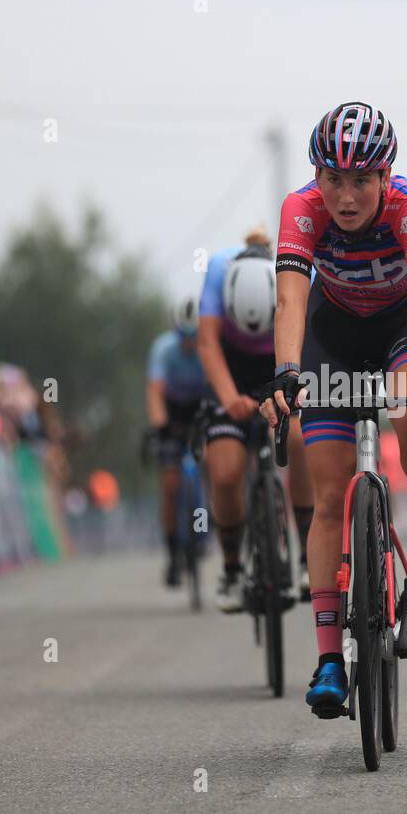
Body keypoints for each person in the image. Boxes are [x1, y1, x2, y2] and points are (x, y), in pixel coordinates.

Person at [259, 101, 407, 716]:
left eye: (362, 181)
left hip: (402, 326)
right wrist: (287, 376)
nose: (346, 197)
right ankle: (326, 662)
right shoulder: (301, 210)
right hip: (333, 334)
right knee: (327, 495)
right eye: (333, 180)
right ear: (316, 177)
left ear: (385, 174)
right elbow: (291, 303)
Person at [197, 232, 313, 612]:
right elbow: (208, 344)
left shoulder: (299, 273)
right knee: (226, 471)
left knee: (298, 441)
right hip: (230, 368)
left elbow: (310, 342)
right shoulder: (217, 270)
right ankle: (231, 568)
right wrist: (230, 400)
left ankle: (307, 556)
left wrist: (286, 400)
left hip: (280, 361)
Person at [145, 294, 209, 587]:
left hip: (200, 409)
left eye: (194, 336)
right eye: (184, 336)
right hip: (172, 413)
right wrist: (160, 424)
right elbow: (155, 392)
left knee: (215, 462)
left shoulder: (209, 346)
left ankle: (210, 521)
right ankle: (173, 554)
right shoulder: (163, 349)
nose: (189, 342)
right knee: (170, 486)